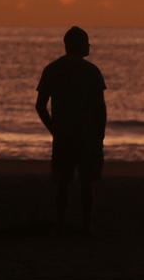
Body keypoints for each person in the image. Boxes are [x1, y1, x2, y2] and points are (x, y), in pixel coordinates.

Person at [35, 26, 107, 236]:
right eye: (86, 42)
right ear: (78, 45)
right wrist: (99, 136)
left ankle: (60, 224)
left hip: (64, 136)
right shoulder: (92, 71)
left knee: (63, 183)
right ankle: (86, 226)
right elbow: (100, 109)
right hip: (86, 136)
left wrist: (54, 129)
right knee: (87, 183)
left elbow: (40, 106)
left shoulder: (52, 69)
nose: (89, 46)